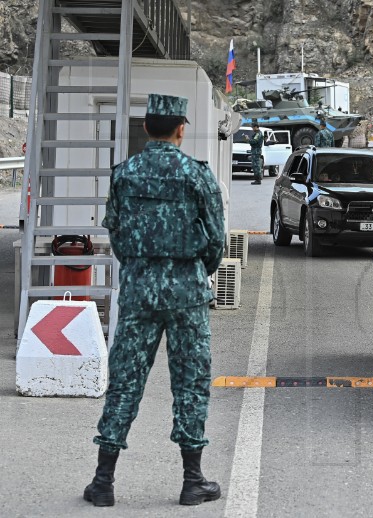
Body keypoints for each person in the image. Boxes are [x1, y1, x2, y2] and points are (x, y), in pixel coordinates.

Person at [85, 93, 225, 508]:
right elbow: (216, 238)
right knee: (191, 384)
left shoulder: (124, 173)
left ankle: (103, 482)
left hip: (139, 290)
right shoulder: (196, 174)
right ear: (181, 128)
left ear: (146, 128)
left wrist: (139, 267)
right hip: (187, 291)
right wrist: (198, 269)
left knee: (125, 381)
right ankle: (192, 480)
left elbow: (117, 233)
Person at [247, 120, 264, 185]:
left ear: (256, 127)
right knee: (255, 165)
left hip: (256, 151)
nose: (253, 129)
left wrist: (248, 139)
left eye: (253, 127)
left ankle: (258, 180)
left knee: (256, 165)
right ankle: (257, 179)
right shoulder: (258, 133)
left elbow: (254, 141)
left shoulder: (258, 134)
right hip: (255, 151)